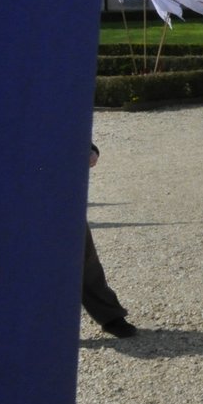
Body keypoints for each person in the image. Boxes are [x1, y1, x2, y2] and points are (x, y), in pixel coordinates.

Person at [84, 144, 136, 338]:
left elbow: (63, 123)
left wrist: (89, 149)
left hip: (57, 189)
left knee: (83, 256)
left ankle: (109, 315)